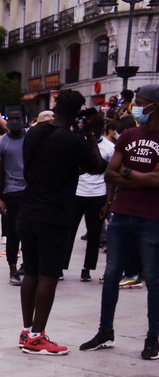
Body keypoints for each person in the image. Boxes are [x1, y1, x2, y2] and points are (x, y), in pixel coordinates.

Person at [15, 90, 104, 356]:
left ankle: (27, 330)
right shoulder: (75, 141)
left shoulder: (34, 133)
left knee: (30, 271)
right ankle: (37, 336)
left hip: (28, 210)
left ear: (55, 107)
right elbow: (97, 166)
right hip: (54, 216)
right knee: (48, 275)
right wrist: (89, 134)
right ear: (78, 113)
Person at [80, 83, 159, 360]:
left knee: (153, 278)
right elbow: (109, 174)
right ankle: (105, 330)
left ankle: (153, 338)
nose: (134, 107)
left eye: (140, 102)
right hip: (122, 213)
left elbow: (157, 181)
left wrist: (126, 172)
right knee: (112, 274)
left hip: (152, 217)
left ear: (154, 106)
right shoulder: (127, 135)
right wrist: (139, 177)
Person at [67, 115, 114, 283]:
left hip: (98, 194)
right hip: (77, 193)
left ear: (100, 129)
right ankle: (60, 266)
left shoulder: (110, 147)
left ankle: (87, 269)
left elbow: (110, 177)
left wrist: (108, 202)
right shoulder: (78, 143)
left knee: (94, 235)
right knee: (68, 232)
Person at [0, 113, 27, 285]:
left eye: (17, 119)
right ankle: (12, 268)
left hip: (31, 191)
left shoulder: (30, 138)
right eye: (11, 119)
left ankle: (27, 265)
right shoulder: (0, 144)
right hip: (12, 192)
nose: (14, 122)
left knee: (30, 231)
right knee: (13, 232)